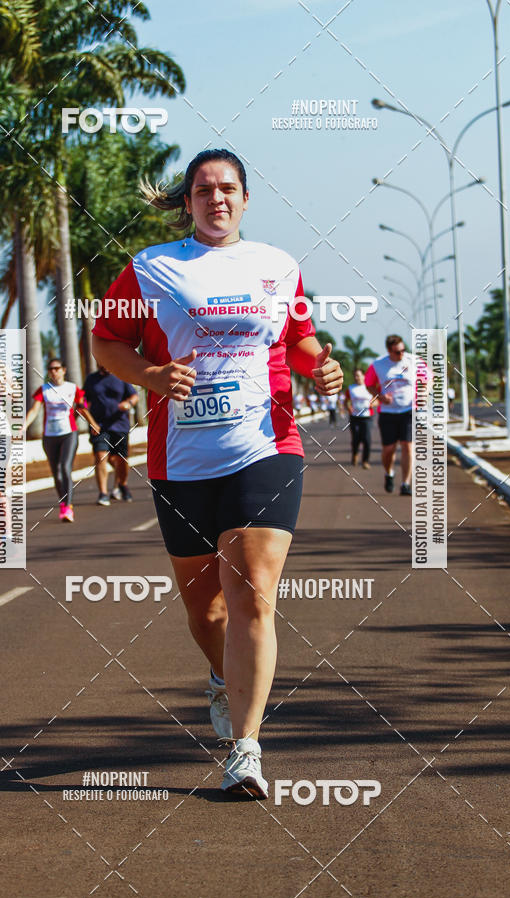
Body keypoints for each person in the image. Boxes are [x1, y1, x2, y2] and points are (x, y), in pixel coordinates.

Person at [92, 148, 343, 799]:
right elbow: (105, 342)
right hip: (182, 460)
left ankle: (245, 749)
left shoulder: (276, 267)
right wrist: (148, 375)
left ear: (245, 198)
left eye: (228, 188)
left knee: (253, 590)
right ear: (187, 201)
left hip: (268, 446)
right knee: (206, 610)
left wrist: (321, 364)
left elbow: (299, 339)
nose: (216, 198)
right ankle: (221, 676)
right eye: (203, 189)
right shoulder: (151, 268)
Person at [22, 358, 99, 522]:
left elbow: (82, 408)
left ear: (64, 370)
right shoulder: (44, 390)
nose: (54, 372)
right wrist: (23, 426)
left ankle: (68, 507)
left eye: (57, 368)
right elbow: (34, 410)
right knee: (56, 474)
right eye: (50, 369)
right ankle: (63, 504)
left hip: (69, 433)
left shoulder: (72, 388)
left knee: (64, 468)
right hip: (49, 435)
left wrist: (93, 424)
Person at [365, 335, 417, 495]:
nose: (401, 354)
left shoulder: (413, 361)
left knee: (407, 447)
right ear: (389, 351)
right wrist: (380, 397)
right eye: (397, 352)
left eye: (403, 350)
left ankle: (405, 484)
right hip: (388, 413)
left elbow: (429, 379)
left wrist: (423, 394)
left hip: (408, 411)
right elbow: (369, 384)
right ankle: (389, 473)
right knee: (389, 450)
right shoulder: (378, 365)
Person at [83, 365, 138, 505]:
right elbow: (82, 401)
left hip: (120, 425)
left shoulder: (121, 375)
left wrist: (129, 403)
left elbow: (134, 395)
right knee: (100, 455)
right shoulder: (91, 379)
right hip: (99, 426)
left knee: (120, 460)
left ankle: (123, 484)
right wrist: (90, 421)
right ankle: (103, 493)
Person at [344, 368, 375, 468]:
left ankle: (365, 461)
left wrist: (373, 403)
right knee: (356, 438)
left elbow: (378, 400)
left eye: (359, 375)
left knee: (367, 439)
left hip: (367, 417)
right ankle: (355, 454)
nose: (357, 378)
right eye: (355, 376)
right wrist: (348, 407)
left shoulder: (369, 388)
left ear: (363, 376)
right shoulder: (351, 388)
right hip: (354, 417)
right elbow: (346, 401)